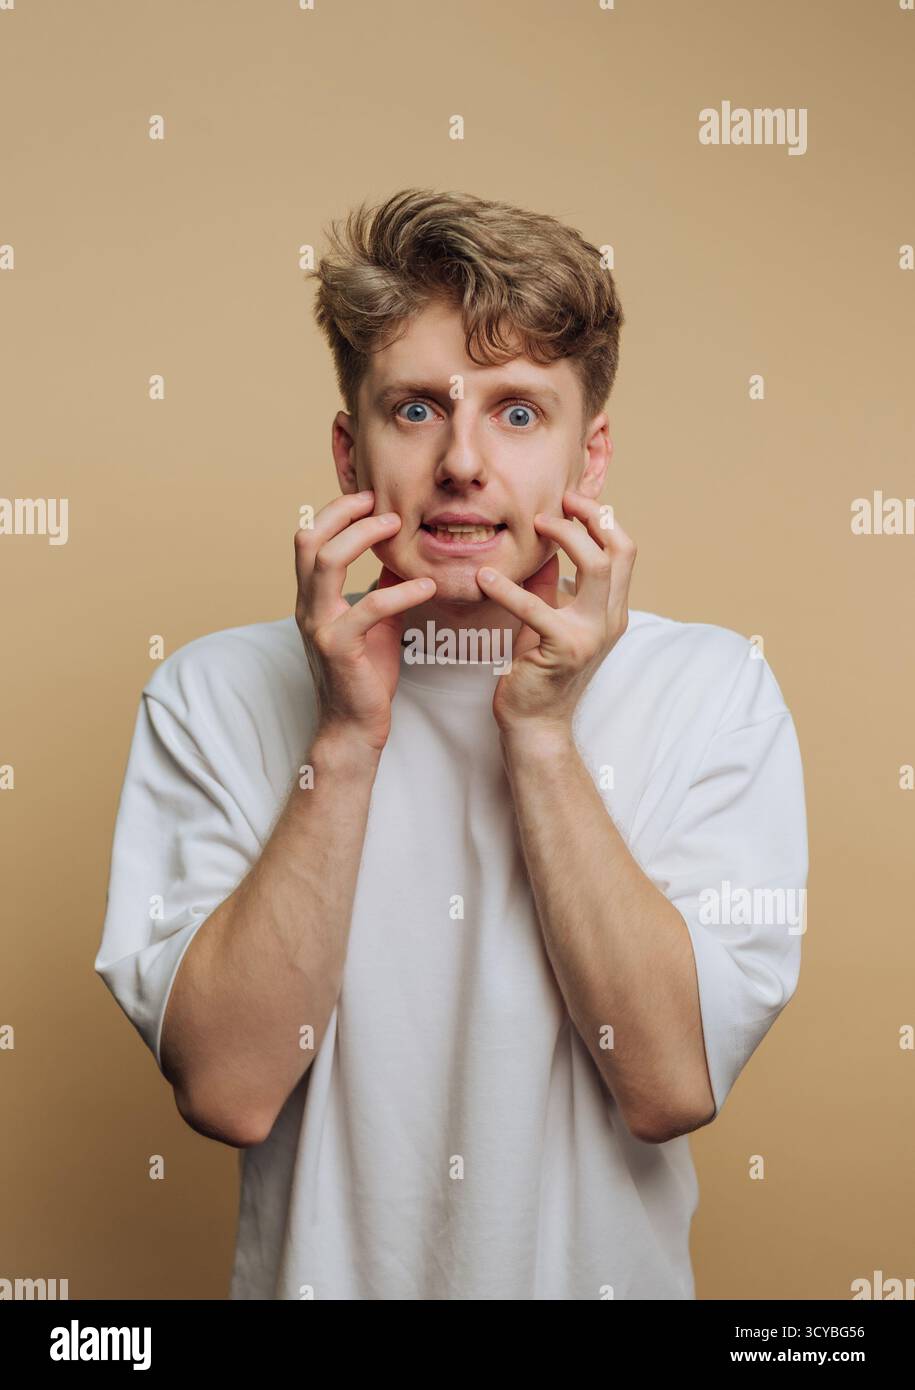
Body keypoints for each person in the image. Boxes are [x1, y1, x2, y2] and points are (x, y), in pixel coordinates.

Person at [95, 188, 808, 1300]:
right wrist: (342, 734)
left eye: (520, 413)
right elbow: (228, 1092)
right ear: (349, 448)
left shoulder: (715, 690)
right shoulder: (212, 694)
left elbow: (670, 1083)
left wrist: (541, 734)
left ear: (591, 456)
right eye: (419, 409)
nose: (465, 463)